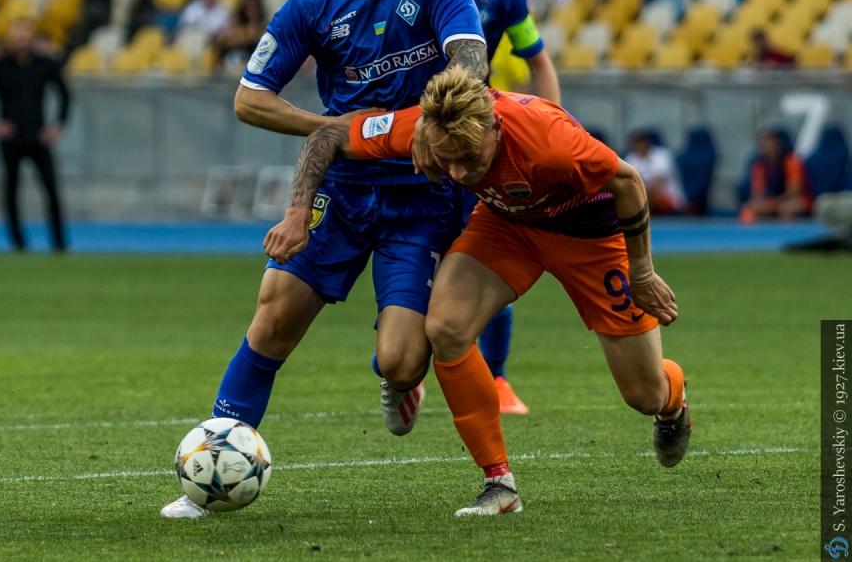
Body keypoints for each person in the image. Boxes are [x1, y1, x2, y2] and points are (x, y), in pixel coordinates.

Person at [161, 0, 488, 519]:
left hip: (421, 199)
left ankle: (399, 380)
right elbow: (249, 99)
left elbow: (471, 58)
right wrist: (336, 131)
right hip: (341, 190)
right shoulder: (312, 3)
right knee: (273, 316)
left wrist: (432, 120)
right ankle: (211, 473)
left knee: (400, 361)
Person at [266, 67, 689, 515]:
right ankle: (499, 484)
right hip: (508, 226)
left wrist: (642, 272)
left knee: (644, 395)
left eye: (467, 158)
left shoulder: (547, 139)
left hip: (590, 236)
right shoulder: (423, 128)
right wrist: (297, 212)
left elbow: (627, 181)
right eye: (446, 158)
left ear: (495, 127)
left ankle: (673, 403)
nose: (457, 172)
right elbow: (327, 136)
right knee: (445, 327)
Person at [425, 0, 561, 414]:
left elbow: (538, 60)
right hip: (415, 146)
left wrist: (553, 128)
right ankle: (405, 365)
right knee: (416, 256)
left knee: (492, 258)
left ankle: (498, 377)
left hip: (478, 152)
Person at [0, 18, 71, 252]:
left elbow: (65, 93)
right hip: (11, 138)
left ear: (32, 36)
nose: (22, 37)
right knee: (11, 190)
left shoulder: (45, 64)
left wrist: (59, 124)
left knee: (51, 189)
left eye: (26, 32)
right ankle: (18, 243)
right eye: (17, 32)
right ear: (10, 37)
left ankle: (59, 244)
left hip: (39, 137)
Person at [739, 128, 812, 223]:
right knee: (748, 210)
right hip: (770, 201)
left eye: (769, 142)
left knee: (786, 209)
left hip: (790, 200)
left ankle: (787, 232)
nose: (765, 146)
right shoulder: (759, 165)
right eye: (763, 142)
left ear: (778, 143)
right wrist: (764, 203)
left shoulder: (791, 162)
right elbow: (757, 192)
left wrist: (774, 202)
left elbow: (794, 191)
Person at [624, 130, 685, 215]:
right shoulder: (630, 158)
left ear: (647, 142)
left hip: (669, 200)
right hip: (644, 201)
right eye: (636, 142)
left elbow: (655, 186)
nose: (638, 145)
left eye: (641, 142)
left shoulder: (662, 155)